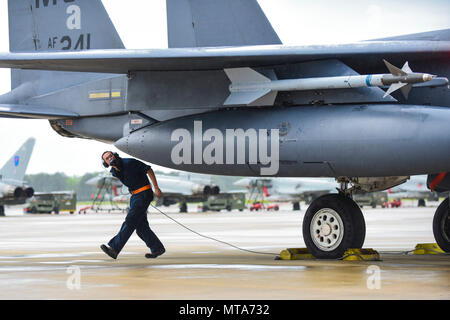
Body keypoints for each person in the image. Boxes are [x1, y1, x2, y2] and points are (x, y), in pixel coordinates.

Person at [100, 151, 165, 260]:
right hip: (135, 196)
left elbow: (149, 169)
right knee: (141, 227)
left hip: (144, 193)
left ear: (115, 155)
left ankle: (115, 249)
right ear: (106, 163)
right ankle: (157, 248)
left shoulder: (130, 162)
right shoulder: (114, 171)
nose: (110, 158)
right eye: (107, 158)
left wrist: (156, 187)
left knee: (130, 220)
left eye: (110, 155)